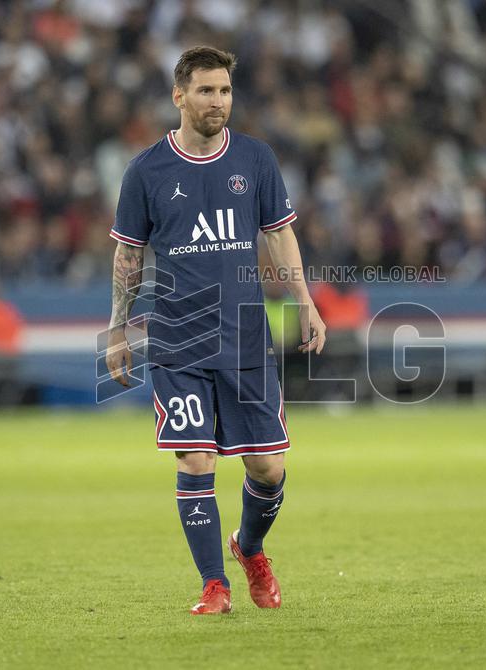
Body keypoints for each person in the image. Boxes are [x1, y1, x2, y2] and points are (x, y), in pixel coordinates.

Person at [104, 46, 326, 615]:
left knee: (268, 469)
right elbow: (129, 255)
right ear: (179, 95)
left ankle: (249, 550)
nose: (218, 101)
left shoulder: (255, 159)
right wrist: (118, 328)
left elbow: (278, 235)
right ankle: (213, 585)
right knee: (194, 459)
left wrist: (304, 299)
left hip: (246, 339)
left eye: (225, 91)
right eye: (206, 91)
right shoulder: (147, 170)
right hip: (178, 340)